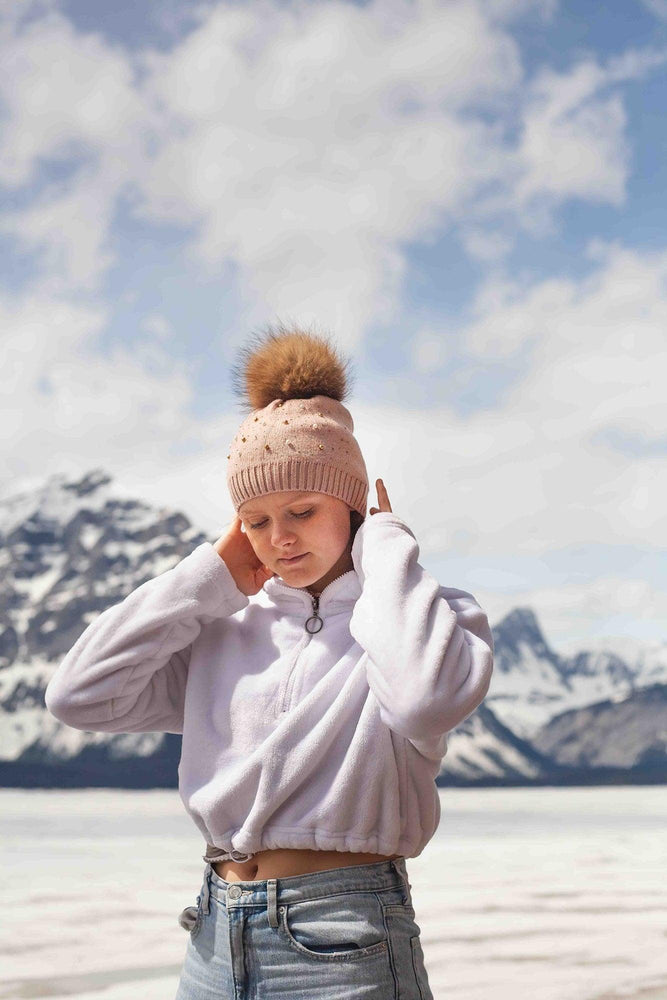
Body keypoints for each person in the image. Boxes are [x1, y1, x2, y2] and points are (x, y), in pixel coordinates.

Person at [44, 325, 495, 999]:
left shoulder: (428, 617)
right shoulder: (223, 629)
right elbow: (77, 696)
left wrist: (388, 548)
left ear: (351, 505)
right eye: (254, 520)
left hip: (344, 937)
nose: (278, 538)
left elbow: (423, 701)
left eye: (302, 510)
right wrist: (207, 576)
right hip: (213, 933)